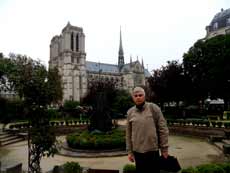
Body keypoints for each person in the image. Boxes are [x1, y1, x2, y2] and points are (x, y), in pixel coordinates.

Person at [126, 86, 169, 173]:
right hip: (138, 151)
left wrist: (164, 149)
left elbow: (163, 129)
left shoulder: (153, 108)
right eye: (136, 95)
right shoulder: (130, 112)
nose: (138, 97)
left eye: (140, 95)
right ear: (133, 98)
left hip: (152, 150)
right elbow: (128, 133)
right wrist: (130, 152)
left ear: (145, 96)